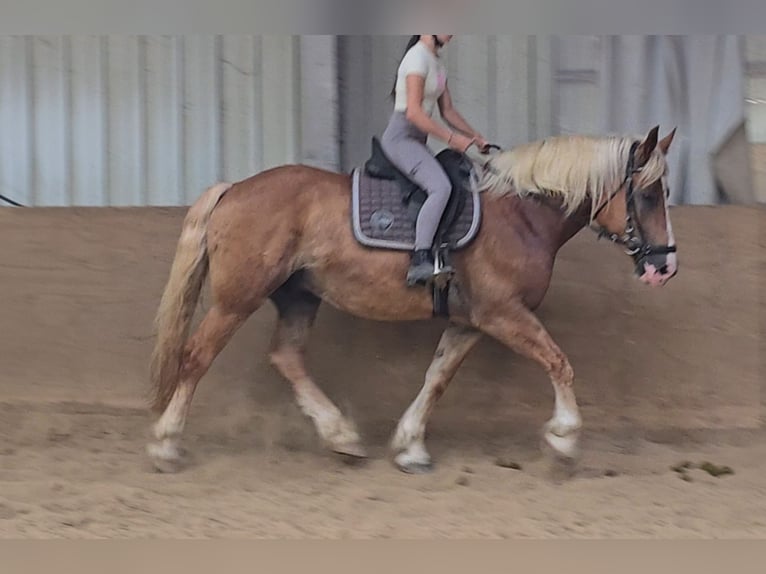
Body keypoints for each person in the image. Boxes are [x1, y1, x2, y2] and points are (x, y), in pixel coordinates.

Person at [380, 35, 489, 287]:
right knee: (441, 187)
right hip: (401, 138)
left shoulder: (436, 63)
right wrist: (453, 139)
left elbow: (447, 111)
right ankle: (420, 259)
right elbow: (414, 112)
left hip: (417, 140)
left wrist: (474, 136)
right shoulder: (417, 58)